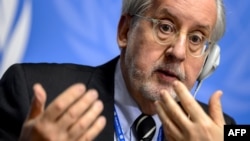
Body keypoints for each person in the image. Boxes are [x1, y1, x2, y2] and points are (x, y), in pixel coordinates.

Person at [0, 0, 236, 140]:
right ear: (125, 31)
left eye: (196, 38)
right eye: (165, 27)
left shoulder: (223, 129)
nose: (179, 52)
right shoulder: (31, 92)